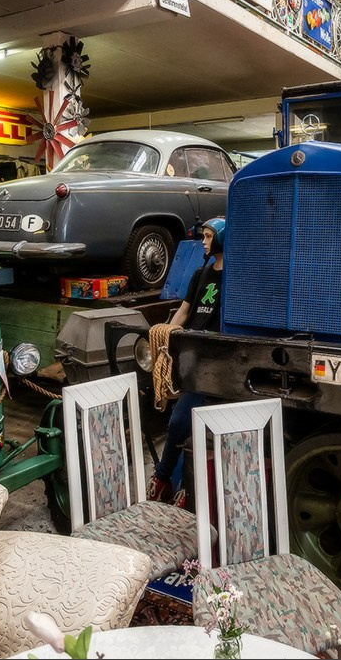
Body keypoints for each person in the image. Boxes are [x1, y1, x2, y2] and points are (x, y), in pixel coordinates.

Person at [147, 216, 225, 505]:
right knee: (178, 422)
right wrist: (166, 335)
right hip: (192, 358)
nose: (203, 243)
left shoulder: (235, 278)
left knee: (186, 422)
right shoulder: (200, 275)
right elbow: (183, 312)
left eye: (207, 237)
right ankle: (166, 480)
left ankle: (173, 481)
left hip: (214, 362)